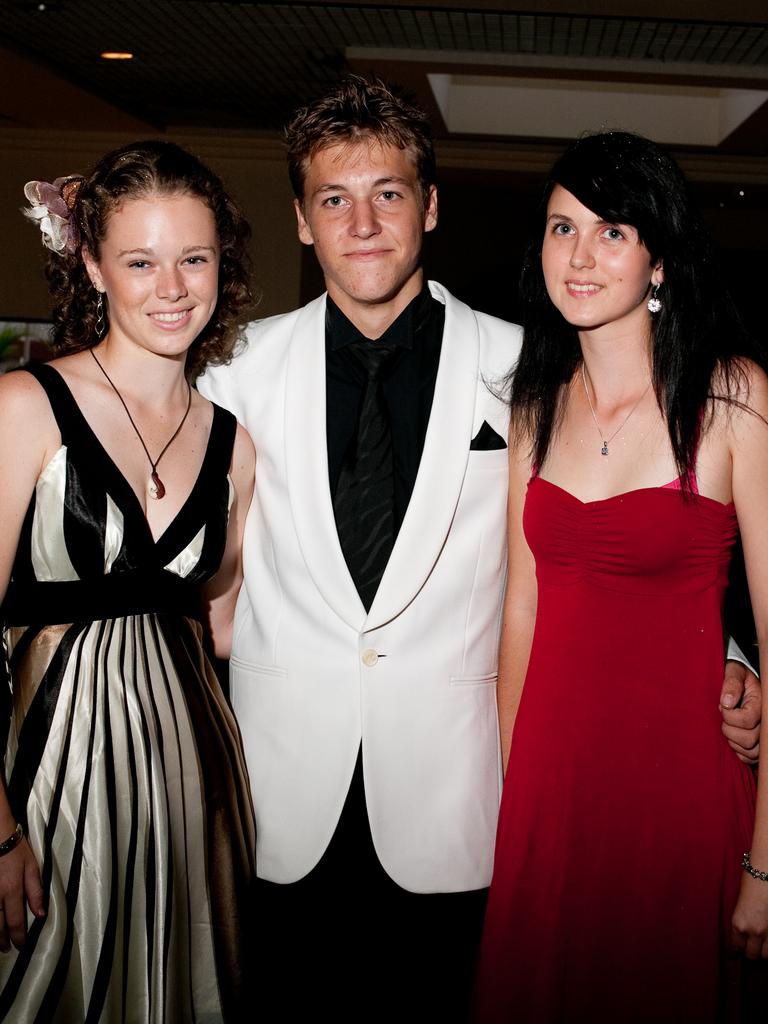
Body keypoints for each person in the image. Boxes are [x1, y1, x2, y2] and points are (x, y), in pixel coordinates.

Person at [198, 82, 760, 1019]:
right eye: (334, 198)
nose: (363, 222)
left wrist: (729, 663)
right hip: (278, 799)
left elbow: (624, 529)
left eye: (388, 193)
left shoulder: (530, 369)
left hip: (460, 802)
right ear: (300, 220)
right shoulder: (234, 372)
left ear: (430, 206)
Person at [473, 130, 768, 1022]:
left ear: (660, 262)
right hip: (552, 788)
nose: (581, 255)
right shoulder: (533, 402)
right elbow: (521, 612)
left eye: (612, 232)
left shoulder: (733, 399)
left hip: (679, 791)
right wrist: (511, 796)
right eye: (563, 228)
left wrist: (767, 863)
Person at [0, 141, 257, 1021]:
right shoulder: (22, 408)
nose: (173, 287)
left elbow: (222, 629)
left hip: (197, 788)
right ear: (92, 263)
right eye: (141, 261)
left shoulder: (234, 442)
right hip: (46, 786)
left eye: (194, 258)